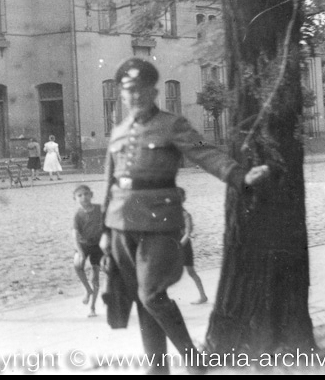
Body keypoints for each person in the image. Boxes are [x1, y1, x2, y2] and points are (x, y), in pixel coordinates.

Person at [100, 57, 270, 375]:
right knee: (141, 298)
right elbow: (108, 181)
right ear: (122, 94)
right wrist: (103, 229)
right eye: (127, 91)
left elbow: (205, 151)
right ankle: (157, 367)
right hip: (120, 222)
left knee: (151, 294)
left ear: (153, 92)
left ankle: (194, 361)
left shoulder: (172, 124)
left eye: (140, 90)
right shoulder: (119, 130)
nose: (133, 96)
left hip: (158, 219)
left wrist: (239, 176)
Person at [73, 184, 104, 317]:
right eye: (80, 195)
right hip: (83, 244)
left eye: (86, 194)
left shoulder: (99, 209)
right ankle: (88, 290)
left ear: (91, 195)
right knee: (77, 264)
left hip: (97, 246)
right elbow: (74, 236)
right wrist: (80, 252)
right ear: (75, 199)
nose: (84, 197)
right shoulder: (78, 215)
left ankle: (92, 307)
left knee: (95, 277)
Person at [177, 187, 208, 304]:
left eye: (179, 198)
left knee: (191, 272)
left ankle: (203, 296)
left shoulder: (186, 215)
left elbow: (187, 233)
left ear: (183, 199)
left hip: (183, 246)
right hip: (172, 245)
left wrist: (179, 246)